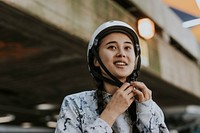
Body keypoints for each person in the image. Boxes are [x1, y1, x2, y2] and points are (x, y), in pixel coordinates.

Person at [55, 20, 169, 133]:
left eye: (127, 48)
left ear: (135, 59)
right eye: (112, 47)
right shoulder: (74, 104)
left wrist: (146, 111)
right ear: (96, 60)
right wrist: (111, 112)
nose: (121, 54)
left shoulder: (150, 107)